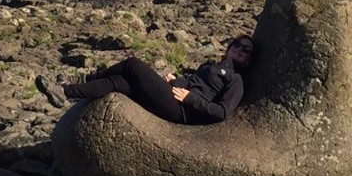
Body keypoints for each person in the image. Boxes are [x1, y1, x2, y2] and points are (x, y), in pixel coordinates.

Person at [36, 35, 254, 124]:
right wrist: (175, 81)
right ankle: (65, 92)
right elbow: (192, 81)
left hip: (184, 111)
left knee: (133, 65)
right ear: (229, 47)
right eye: (237, 45)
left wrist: (189, 99)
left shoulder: (237, 80)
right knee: (120, 84)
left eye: (246, 50)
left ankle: (87, 77)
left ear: (248, 58)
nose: (240, 50)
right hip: (175, 97)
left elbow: (222, 112)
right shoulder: (210, 65)